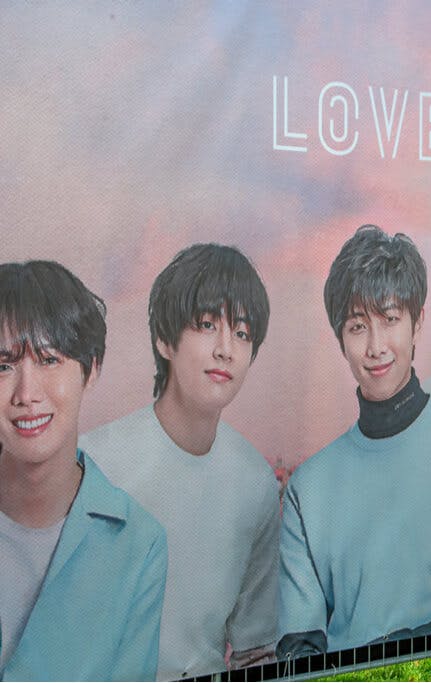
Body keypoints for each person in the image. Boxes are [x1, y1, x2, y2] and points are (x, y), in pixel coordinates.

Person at [276, 225, 431, 657]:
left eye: (390, 320)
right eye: (359, 326)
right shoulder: (309, 486)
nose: (376, 346)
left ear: (417, 324)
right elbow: (298, 647)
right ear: (341, 340)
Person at [80, 243, 279, 679]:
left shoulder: (257, 484)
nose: (226, 349)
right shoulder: (95, 465)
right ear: (165, 340)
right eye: (207, 325)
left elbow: (255, 651)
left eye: (242, 333)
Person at [0, 260, 167, 681]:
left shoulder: (138, 543)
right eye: (3, 366)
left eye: (50, 359)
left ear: (90, 370)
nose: (26, 393)